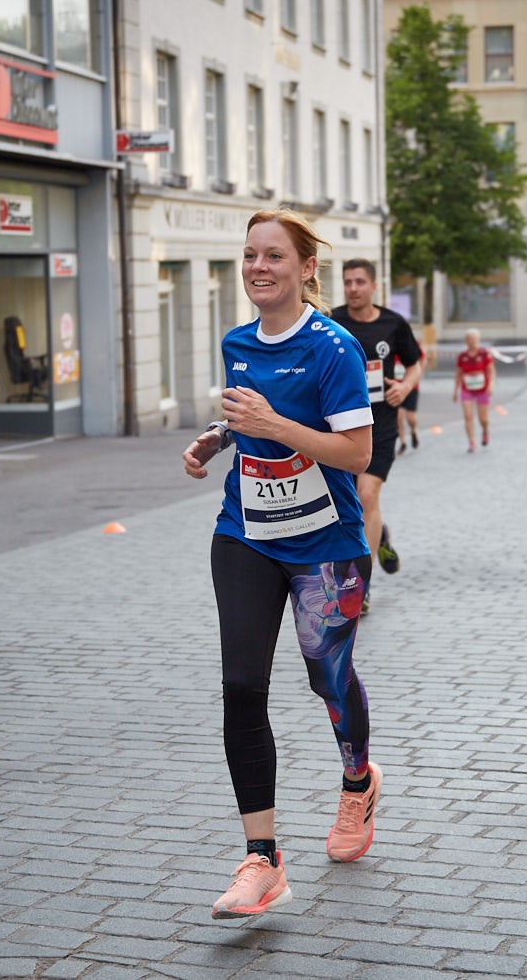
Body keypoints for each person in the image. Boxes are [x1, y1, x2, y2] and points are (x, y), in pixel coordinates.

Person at [180, 210, 380, 921]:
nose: (258, 267)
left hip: (326, 544)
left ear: (305, 269)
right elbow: (249, 419)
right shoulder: (238, 342)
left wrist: (273, 426)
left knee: (328, 675)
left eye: (273, 256)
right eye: (250, 255)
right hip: (247, 533)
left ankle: (357, 782)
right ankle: (262, 859)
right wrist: (217, 438)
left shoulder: (335, 348)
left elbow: (356, 452)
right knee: (241, 685)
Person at [329, 259, 423, 592]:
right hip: (339, 430)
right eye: (347, 282)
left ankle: (360, 586)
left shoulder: (392, 323)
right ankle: (378, 534)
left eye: (359, 282)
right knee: (348, 505)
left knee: (366, 496)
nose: (353, 289)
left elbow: (414, 363)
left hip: (380, 428)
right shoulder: (330, 321)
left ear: (374, 286)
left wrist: (405, 387)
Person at [453, 328, 495, 452]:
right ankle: (471, 442)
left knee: (483, 419)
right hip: (467, 389)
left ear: (478, 339)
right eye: (469, 339)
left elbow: (491, 371)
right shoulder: (462, 356)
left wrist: (491, 384)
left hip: (482, 389)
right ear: (465, 341)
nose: (472, 341)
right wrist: (455, 390)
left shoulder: (484, 353)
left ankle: (485, 430)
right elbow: (459, 373)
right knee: (468, 416)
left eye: (474, 339)